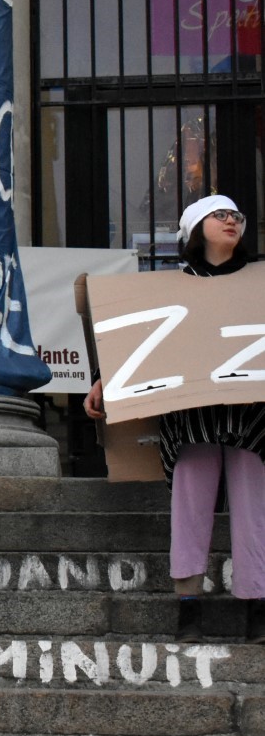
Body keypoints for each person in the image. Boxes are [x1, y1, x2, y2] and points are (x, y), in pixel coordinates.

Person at [86, 195, 264, 642]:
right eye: (220, 214)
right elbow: (137, 337)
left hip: (253, 417)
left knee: (255, 511)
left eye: (237, 216)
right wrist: (105, 378)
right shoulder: (168, 287)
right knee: (189, 506)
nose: (231, 221)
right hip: (192, 415)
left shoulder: (259, 282)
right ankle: (188, 606)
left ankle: (257, 608)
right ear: (193, 228)